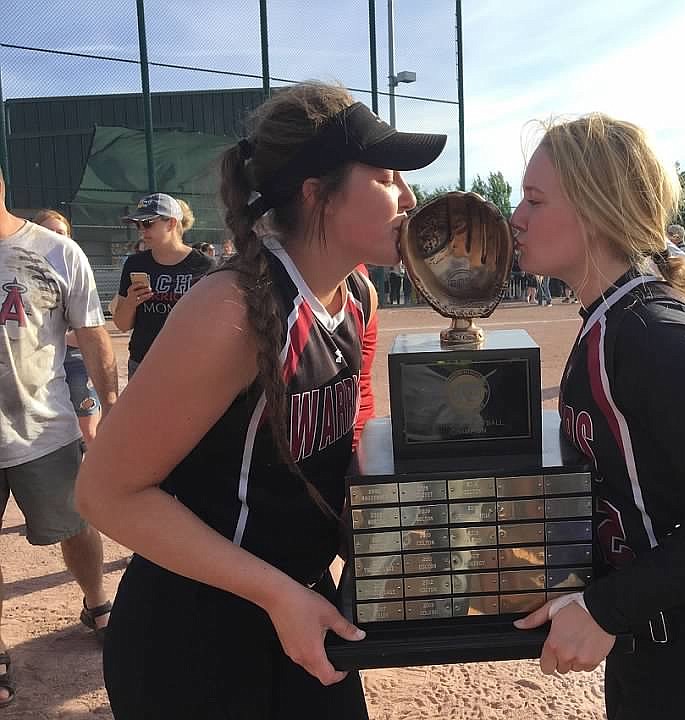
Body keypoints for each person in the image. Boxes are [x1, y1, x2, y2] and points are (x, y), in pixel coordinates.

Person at [75, 82, 446, 719]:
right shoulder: (233, 311)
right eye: (386, 175)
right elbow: (105, 493)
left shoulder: (357, 295)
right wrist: (276, 593)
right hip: (198, 633)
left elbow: (343, 435)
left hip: (299, 601)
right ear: (316, 192)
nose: (408, 196)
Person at [509, 114, 685, 718]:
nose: (517, 217)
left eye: (535, 200)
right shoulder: (610, 320)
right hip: (659, 645)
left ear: (597, 210)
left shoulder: (651, 332)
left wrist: (605, 609)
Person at [0, 168, 119, 708]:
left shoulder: (54, 251)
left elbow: (93, 335)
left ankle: (96, 601)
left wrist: (112, 408)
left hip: (42, 426)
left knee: (75, 524)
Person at [111, 193, 214, 378]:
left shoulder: (204, 265)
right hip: (143, 361)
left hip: (190, 363)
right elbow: (122, 324)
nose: (142, 230)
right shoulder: (135, 264)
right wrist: (130, 303)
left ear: (172, 223)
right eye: (138, 224)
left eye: (148, 223)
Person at [33, 210, 101, 446]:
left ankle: (92, 482)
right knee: (46, 437)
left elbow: (89, 332)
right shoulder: (20, 271)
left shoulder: (76, 270)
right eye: (47, 232)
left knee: (89, 434)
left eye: (61, 233)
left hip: (74, 362)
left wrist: (53, 337)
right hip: (39, 365)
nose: (55, 237)